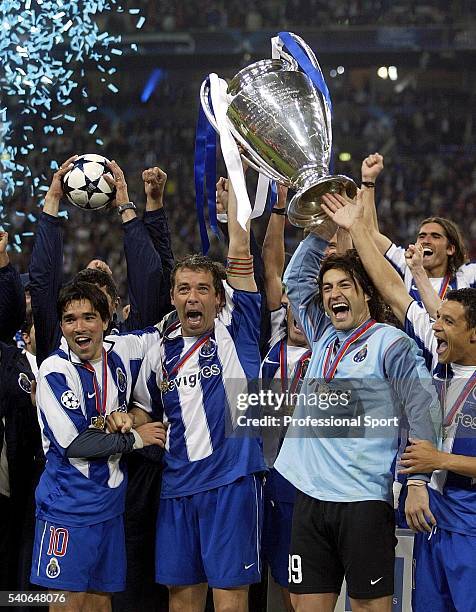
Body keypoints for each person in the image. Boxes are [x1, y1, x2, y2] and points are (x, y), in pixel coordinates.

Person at [274, 210, 439, 612]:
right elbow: (295, 282)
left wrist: (416, 482)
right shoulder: (322, 332)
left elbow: (423, 410)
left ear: (365, 292)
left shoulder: (391, 343)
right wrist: (323, 232)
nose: (333, 295)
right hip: (310, 498)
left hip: (363, 500)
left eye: (344, 285)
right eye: (328, 287)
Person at [322, 190, 476, 612]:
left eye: (446, 321)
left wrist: (439, 463)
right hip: (432, 523)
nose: (434, 326)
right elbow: (392, 290)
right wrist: (357, 230)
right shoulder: (438, 354)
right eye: (436, 319)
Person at [132, 179, 266, 612]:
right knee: (182, 600)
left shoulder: (236, 333)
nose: (193, 297)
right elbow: (138, 407)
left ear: (218, 298)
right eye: (185, 289)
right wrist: (133, 424)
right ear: (172, 297)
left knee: (230, 600)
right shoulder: (158, 348)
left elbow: (241, 262)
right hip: (175, 488)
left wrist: (233, 215)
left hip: (229, 485)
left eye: (202, 289)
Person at [30, 281, 166, 611]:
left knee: (100, 604)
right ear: (61, 326)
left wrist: (128, 418)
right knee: (68, 605)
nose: (79, 327)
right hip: (68, 510)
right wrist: (136, 437)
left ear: (105, 322)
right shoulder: (54, 371)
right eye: (70, 319)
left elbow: (129, 409)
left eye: (88, 317)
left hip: (110, 508)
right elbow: (77, 443)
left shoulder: (116, 363)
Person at [29, 157, 173, 366]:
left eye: (95, 307)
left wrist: (129, 205)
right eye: (73, 315)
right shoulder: (56, 340)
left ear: (112, 309)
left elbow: (153, 276)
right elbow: (42, 278)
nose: (81, 325)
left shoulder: (131, 339)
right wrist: (52, 198)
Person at [360, 153, 476, 310]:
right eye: (421, 236)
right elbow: (369, 235)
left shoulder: (467, 275)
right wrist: (368, 180)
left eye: (435, 236)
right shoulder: (406, 266)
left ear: (450, 248)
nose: (426, 240)